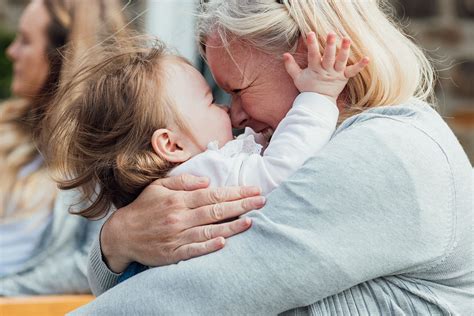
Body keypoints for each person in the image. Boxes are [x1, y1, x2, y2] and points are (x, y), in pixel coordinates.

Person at [74, 0, 472, 314]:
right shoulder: (301, 145)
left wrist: (117, 243)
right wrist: (118, 241)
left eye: (239, 89)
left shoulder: (388, 152)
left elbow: (205, 292)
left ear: (306, 56)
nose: (235, 115)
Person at [47, 32, 367, 281]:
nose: (228, 109)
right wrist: (318, 97)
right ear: (171, 146)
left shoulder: (194, 170)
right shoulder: (199, 176)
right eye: (210, 100)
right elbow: (280, 172)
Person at [0, 0, 127, 295]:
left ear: (60, 58)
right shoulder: (8, 128)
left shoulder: (104, 154)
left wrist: (5, 292)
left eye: (26, 41)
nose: (11, 51)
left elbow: (90, 264)